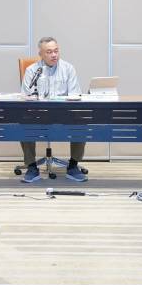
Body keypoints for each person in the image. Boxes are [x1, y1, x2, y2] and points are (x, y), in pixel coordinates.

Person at [19, 37, 86, 183]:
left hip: (63, 113)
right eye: (49, 52)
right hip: (38, 114)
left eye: (56, 51)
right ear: (41, 54)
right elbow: (26, 96)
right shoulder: (32, 70)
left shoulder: (68, 68)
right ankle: (32, 167)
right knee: (24, 123)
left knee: (81, 122)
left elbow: (75, 95)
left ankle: (73, 165)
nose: (54, 55)